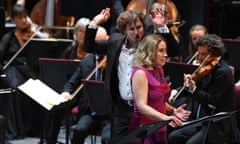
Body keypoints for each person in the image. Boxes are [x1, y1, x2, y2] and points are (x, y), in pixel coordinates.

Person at [44, 17, 109, 144]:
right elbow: (71, 83)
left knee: (107, 138)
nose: (102, 48)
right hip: (90, 111)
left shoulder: (115, 62)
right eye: (98, 44)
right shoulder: (87, 61)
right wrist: (66, 92)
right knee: (78, 130)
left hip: (109, 114)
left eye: (105, 43)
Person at [83, 8, 145, 139]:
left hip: (142, 107)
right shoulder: (114, 42)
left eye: (139, 27)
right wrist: (95, 22)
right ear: (124, 31)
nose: (136, 32)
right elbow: (88, 47)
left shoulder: (148, 45)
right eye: (132, 29)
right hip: (120, 108)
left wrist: (161, 27)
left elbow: (173, 51)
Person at [168, 34, 240, 144]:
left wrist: (194, 89)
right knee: (173, 137)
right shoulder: (205, 68)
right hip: (202, 121)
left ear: (215, 54)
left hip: (218, 125)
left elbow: (212, 101)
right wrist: (177, 90)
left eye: (203, 54)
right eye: (199, 53)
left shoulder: (222, 73)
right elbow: (192, 88)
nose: (199, 58)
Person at [128, 34, 191, 144]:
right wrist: (165, 118)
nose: (166, 55)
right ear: (149, 52)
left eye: (165, 50)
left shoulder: (159, 69)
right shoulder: (140, 73)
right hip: (144, 128)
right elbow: (142, 106)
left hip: (159, 125)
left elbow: (158, 100)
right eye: (161, 51)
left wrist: (173, 111)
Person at [0, 4, 43, 139]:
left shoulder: (32, 34)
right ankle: (16, 131)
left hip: (28, 69)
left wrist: (36, 30)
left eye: (25, 16)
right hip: (12, 69)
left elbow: (46, 43)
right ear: (13, 20)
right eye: (19, 17)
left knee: (40, 89)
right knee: (15, 89)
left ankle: (34, 129)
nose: (23, 20)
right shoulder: (8, 37)